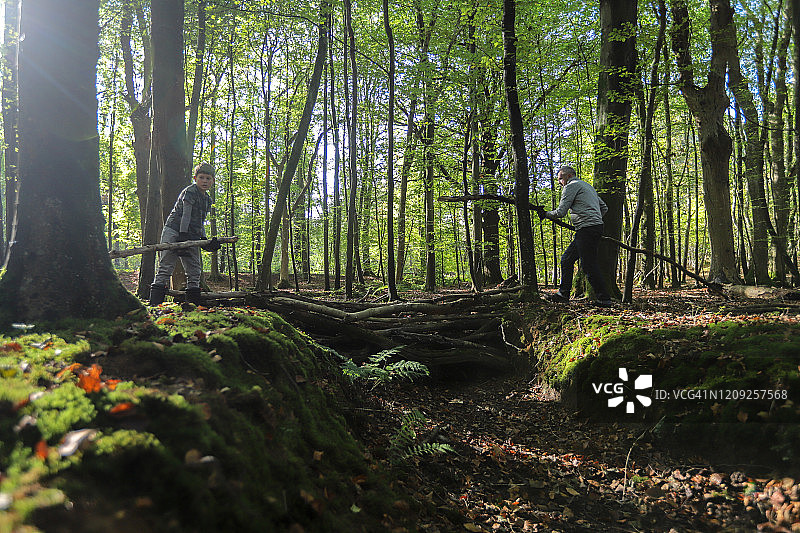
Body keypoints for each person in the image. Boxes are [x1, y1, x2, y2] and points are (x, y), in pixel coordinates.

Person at [533, 165, 613, 307]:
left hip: (587, 229)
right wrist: (595, 219)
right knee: (567, 259)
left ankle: (604, 299)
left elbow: (561, 212)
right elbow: (605, 208)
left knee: (588, 265)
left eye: (560, 178)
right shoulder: (587, 186)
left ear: (568, 176)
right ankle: (563, 294)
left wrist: (545, 214)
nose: (559, 182)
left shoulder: (571, 186)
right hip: (590, 228)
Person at [148, 162, 220, 306]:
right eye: (201, 177)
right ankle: (154, 306)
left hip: (192, 235)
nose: (204, 181)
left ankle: (192, 306)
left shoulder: (207, 200)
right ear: (195, 178)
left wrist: (204, 240)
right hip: (174, 230)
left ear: (212, 180)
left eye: (208, 178)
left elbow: (200, 221)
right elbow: (186, 214)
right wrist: (182, 235)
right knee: (166, 266)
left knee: (194, 270)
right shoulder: (190, 192)